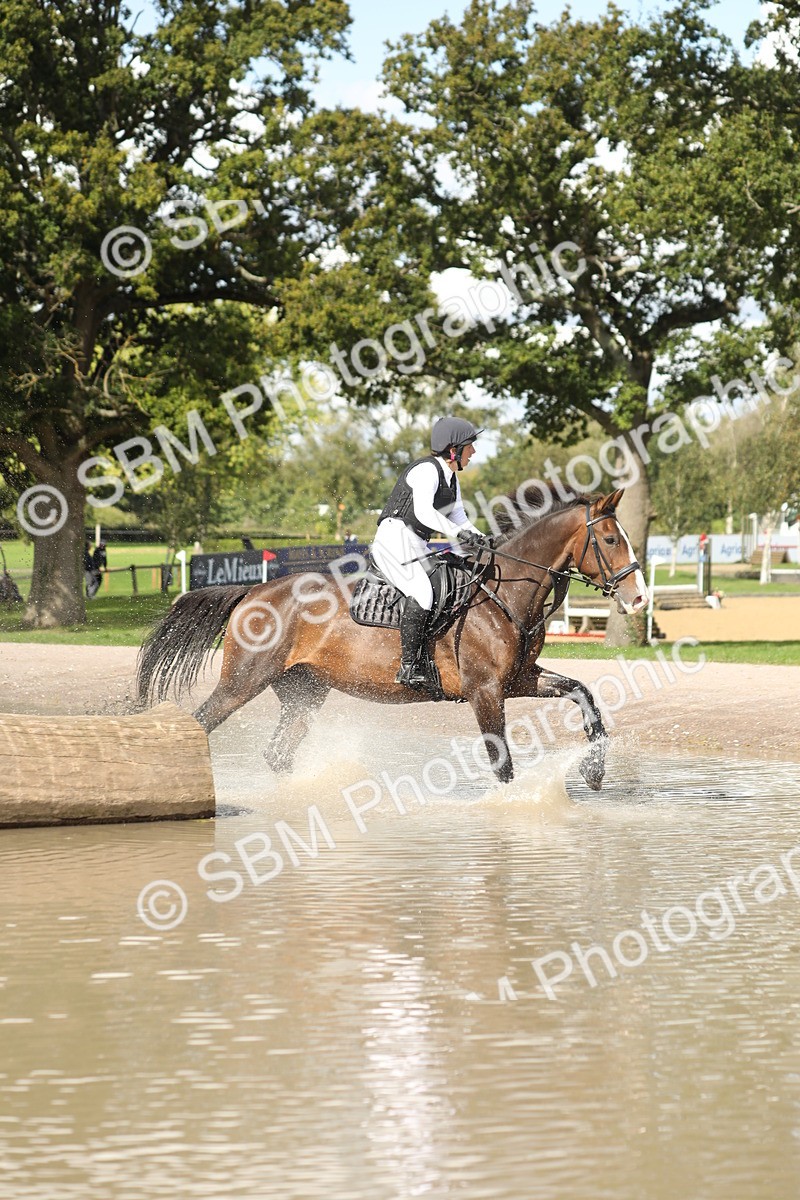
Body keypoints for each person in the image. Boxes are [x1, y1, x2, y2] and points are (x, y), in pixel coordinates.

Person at [371, 416, 492, 694]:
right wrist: (461, 535)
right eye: (469, 446)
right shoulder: (427, 470)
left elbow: (459, 516)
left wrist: (484, 540)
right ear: (454, 450)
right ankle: (409, 666)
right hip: (394, 539)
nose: (473, 452)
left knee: (449, 581)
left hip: (416, 543)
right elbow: (425, 512)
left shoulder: (452, 479)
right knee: (424, 593)